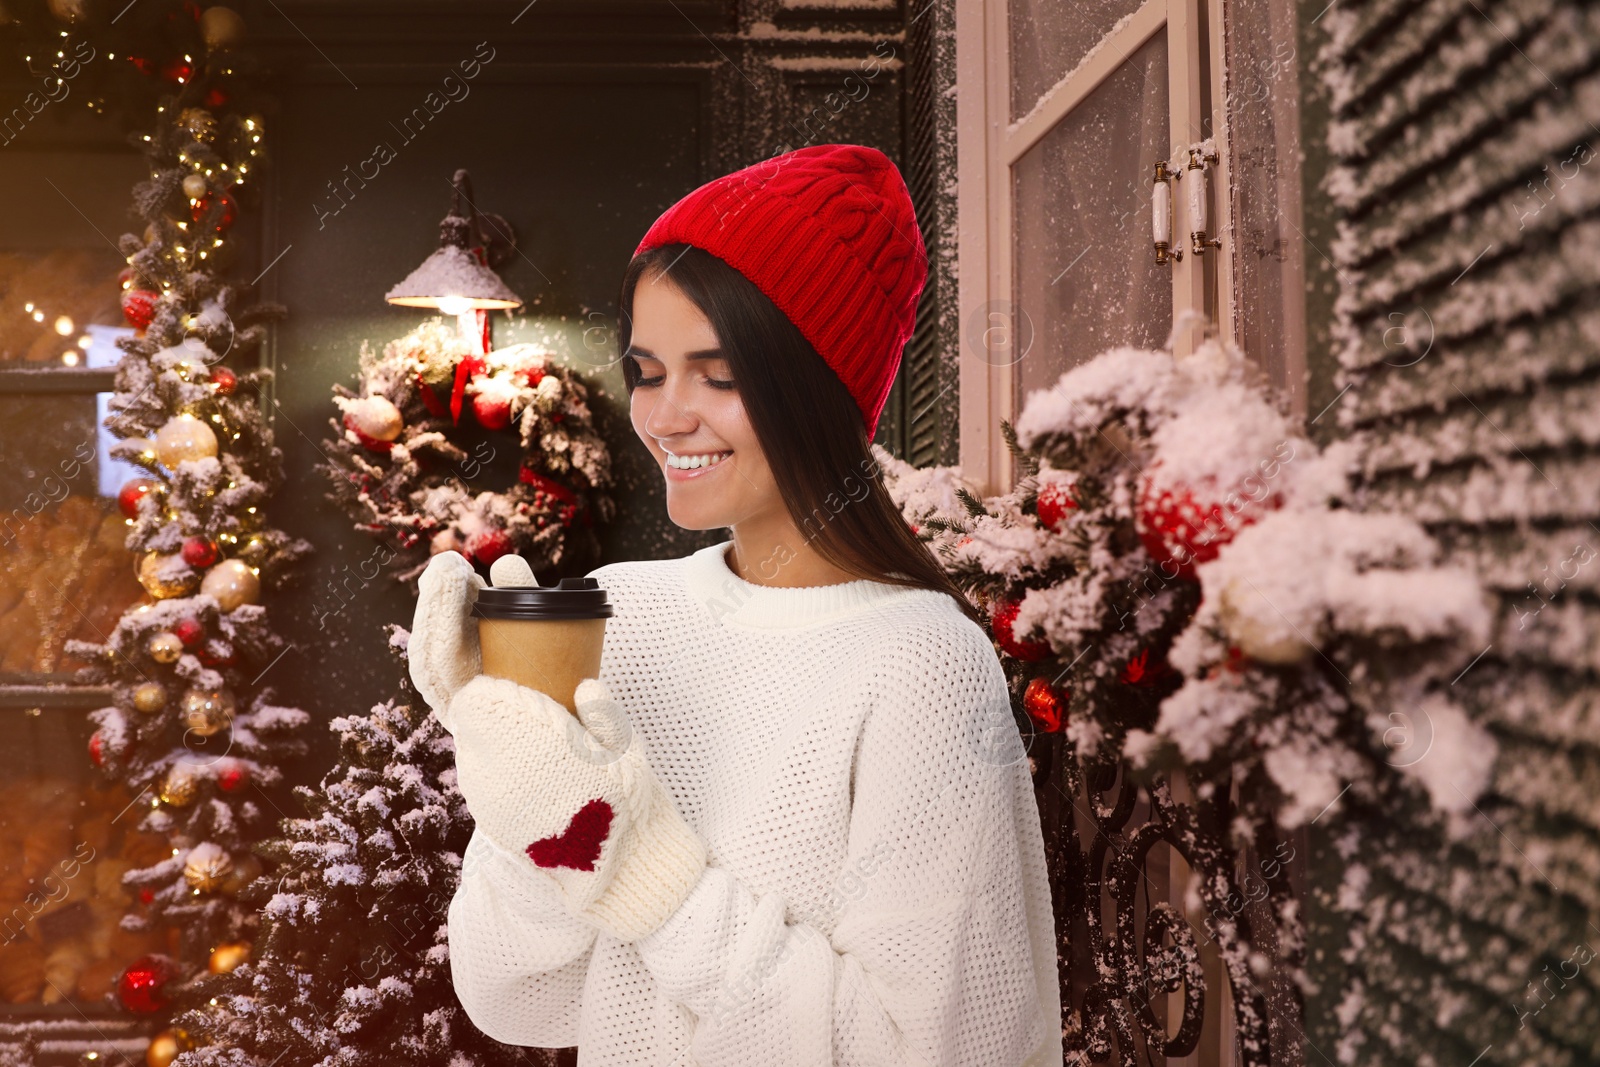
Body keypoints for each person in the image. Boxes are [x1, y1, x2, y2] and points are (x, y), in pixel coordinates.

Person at [410, 143, 1063, 1066]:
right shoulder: (621, 613)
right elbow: (517, 997)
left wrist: (655, 885)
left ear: (816, 387)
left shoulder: (920, 662)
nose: (666, 416)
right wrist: (525, 774)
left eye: (717, 376)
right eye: (647, 370)